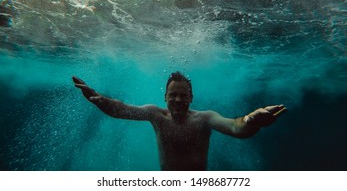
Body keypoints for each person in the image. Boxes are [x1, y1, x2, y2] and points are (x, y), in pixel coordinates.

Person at [72, 71, 286, 171]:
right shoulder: (155, 114)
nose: (178, 99)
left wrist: (253, 119)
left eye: (183, 95)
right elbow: (122, 110)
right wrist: (99, 100)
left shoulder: (205, 118)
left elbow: (236, 127)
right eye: (173, 95)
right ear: (165, 97)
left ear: (191, 98)